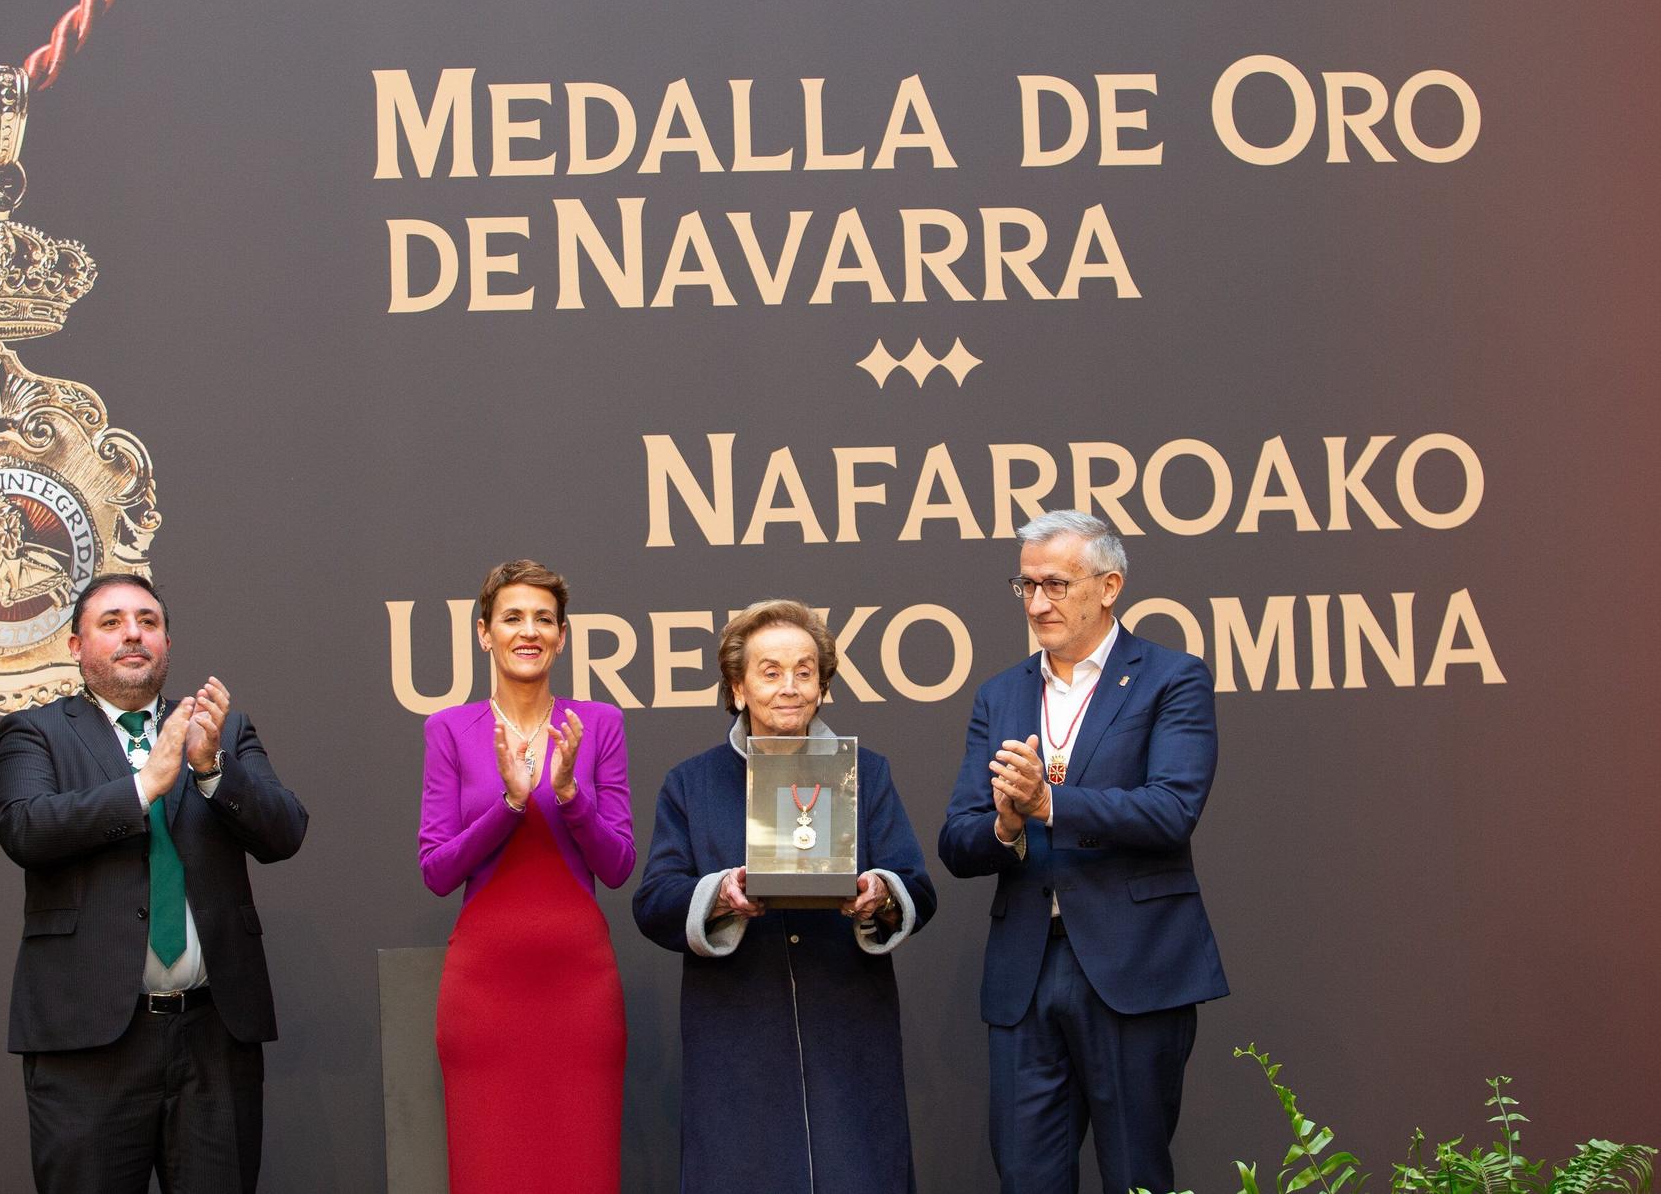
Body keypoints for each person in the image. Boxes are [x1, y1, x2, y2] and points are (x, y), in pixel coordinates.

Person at [0, 573, 308, 1194]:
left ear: (166, 642)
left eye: (147, 622)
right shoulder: (37, 732)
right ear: (77, 646)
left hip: (214, 1040)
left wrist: (211, 770)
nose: (132, 633)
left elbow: (285, 833)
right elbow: (22, 828)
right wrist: (143, 787)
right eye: (111, 623)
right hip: (89, 1047)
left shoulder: (223, 730)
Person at [938, 511, 1228, 1194]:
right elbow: (958, 839)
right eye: (1027, 585)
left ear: (1109, 586)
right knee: (1026, 1178)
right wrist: (1006, 825)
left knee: (1136, 1176)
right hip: (1026, 972)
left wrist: (1051, 805)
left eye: (1057, 585)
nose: (1038, 603)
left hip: (1133, 967)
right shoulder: (1000, 694)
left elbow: (1172, 810)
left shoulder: (1170, 678)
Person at [633, 599, 936, 1194]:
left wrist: (878, 895)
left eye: (804, 671)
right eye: (769, 672)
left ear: (823, 685)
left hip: (848, 1034)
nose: (788, 687)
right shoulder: (691, 784)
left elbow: (917, 885)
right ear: (737, 686)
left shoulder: (866, 774)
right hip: (737, 1041)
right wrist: (721, 894)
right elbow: (654, 902)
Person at [417, 559, 637, 1194]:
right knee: (491, 1169)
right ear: (484, 633)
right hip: (486, 990)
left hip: (579, 986)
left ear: (563, 637)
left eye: (544, 618)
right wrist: (510, 805)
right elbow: (436, 870)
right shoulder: (450, 730)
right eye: (512, 617)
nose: (529, 631)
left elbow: (618, 865)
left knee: (583, 1168)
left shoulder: (597, 725)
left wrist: (568, 793)